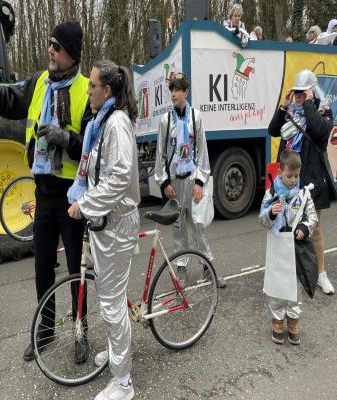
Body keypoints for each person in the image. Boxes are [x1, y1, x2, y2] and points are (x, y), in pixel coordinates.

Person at [0, 21, 92, 362]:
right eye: (50, 43)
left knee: (76, 268)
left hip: (73, 195)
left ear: (72, 54)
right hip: (42, 193)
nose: (50, 49)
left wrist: (67, 139)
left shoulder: (87, 90)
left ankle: (80, 331)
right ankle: (46, 331)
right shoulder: (40, 82)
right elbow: (7, 100)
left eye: (57, 46)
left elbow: (92, 148)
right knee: (42, 267)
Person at [68, 60, 140, 400]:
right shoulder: (101, 123)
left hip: (116, 224)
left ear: (107, 90)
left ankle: (123, 382)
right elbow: (99, 171)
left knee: (111, 304)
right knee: (110, 298)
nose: (87, 90)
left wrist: (85, 204)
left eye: (92, 85)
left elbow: (120, 176)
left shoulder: (116, 123)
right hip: (106, 224)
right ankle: (116, 351)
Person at [154, 74, 226, 288]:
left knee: (197, 226)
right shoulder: (166, 120)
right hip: (174, 182)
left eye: (178, 90)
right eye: (171, 90)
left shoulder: (196, 117)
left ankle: (208, 267)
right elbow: (160, 154)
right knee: (178, 227)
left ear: (186, 92)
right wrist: (164, 183)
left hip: (192, 180)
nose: (173, 94)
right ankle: (181, 267)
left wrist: (200, 183)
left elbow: (202, 150)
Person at [268, 69, 337, 295]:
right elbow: (272, 131)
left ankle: (321, 274)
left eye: (302, 92)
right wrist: (284, 106)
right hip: (289, 179)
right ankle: (291, 272)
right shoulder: (289, 111)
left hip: (312, 178)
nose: (298, 96)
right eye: (296, 92)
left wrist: (308, 103)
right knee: (285, 226)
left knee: (313, 228)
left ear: (311, 92)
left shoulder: (323, 110)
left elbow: (320, 131)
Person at [259, 150, 318, 345]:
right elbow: (262, 220)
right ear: (279, 173)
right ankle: (277, 320)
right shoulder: (271, 193)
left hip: (295, 249)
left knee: (294, 287)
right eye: (289, 176)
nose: (293, 180)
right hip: (277, 247)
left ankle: (293, 320)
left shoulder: (303, 194)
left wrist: (304, 228)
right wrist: (271, 213)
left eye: (296, 176)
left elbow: (312, 217)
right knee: (276, 287)